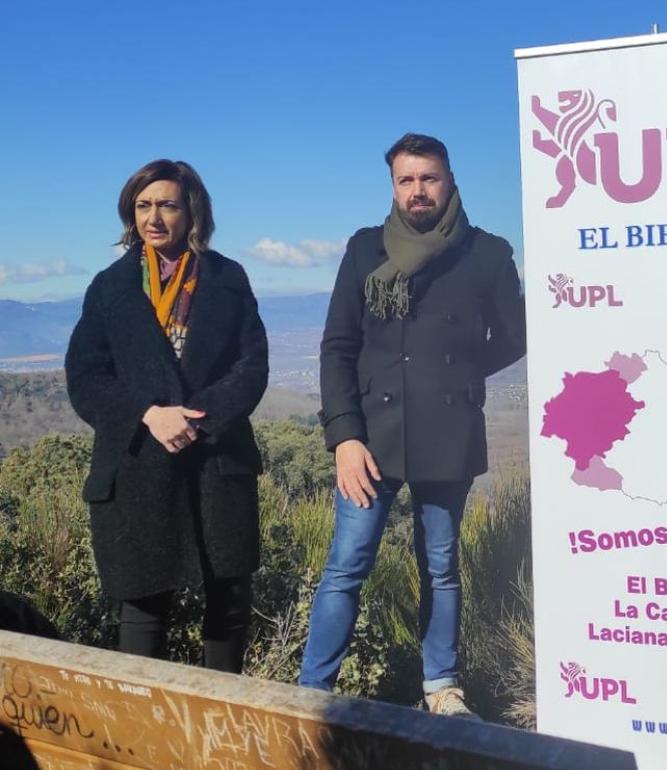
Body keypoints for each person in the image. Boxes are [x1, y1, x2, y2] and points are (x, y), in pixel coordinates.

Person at [299, 133, 525, 716]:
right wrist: (344, 436)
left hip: (449, 431)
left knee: (442, 565)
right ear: (393, 186)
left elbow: (515, 334)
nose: (417, 190)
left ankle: (441, 688)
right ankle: (311, 691)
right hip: (371, 436)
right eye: (406, 180)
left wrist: (460, 373)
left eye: (428, 178)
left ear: (449, 180)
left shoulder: (487, 252)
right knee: (347, 564)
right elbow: (337, 347)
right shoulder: (365, 249)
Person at [66, 159, 268, 672]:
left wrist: (197, 418)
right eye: (143, 205)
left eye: (167, 205)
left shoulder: (227, 278)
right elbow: (85, 377)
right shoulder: (109, 287)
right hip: (138, 468)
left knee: (227, 604)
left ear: (192, 211)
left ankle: (221, 731)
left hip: (216, 466)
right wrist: (148, 415)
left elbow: (252, 366)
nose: (154, 217)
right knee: (142, 608)